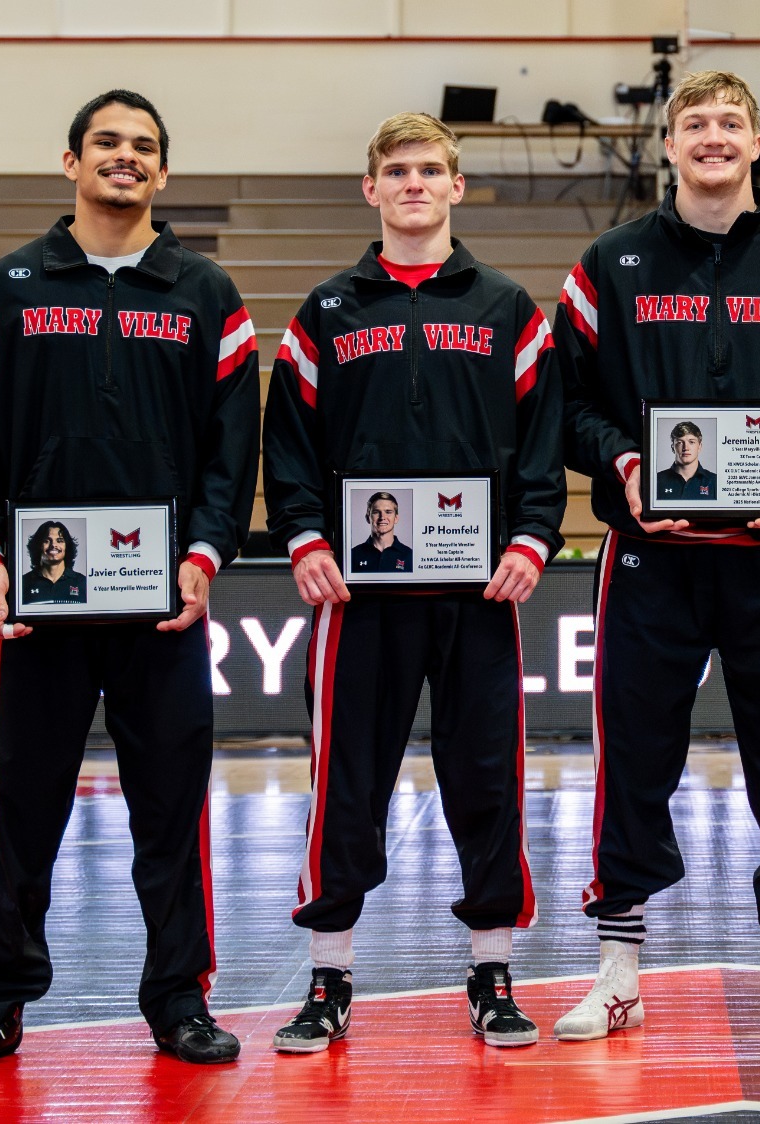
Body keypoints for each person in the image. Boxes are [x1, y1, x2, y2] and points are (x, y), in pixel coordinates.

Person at [0, 89, 260, 1070]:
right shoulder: (8, 287)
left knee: (173, 807)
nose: (125, 157)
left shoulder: (208, 294)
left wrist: (204, 556)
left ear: (163, 172)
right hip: (38, 605)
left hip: (162, 607)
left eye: (143, 146)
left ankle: (177, 997)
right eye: (107, 143)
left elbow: (227, 453)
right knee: (20, 807)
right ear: (69, 160)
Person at [553, 69, 760, 1039]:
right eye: (692, 122)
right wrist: (620, 459)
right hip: (649, 557)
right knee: (633, 754)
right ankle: (616, 967)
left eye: (728, 121)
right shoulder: (607, 264)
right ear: (666, 145)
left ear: (754, 142)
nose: (710, 136)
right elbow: (565, 406)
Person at [262, 112, 564, 1052]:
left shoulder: (510, 309)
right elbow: (290, 448)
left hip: (479, 596)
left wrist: (532, 540)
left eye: (431, 169)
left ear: (457, 187)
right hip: (359, 599)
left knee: (486, 778)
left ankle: (493, 970)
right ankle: (329, 977)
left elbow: (544, 448)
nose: (414, 184)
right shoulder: (325, 312)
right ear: (371, 190)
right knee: (347, 781)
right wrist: (306, 537)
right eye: (396, 171)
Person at [20, 521, 87, 603]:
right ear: (38, 546)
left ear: (67, 547)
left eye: (59, 540)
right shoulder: (23, 583)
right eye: (47, 541)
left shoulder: (82, 582)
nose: (53, 545)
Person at [349, 491, 414, 573]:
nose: (382, 517)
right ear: (367, 517)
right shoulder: (353, 555)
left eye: (388, 512)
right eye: (376, 512)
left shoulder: (410, 555)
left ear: (396, 518)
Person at [653, 420, 717, 500]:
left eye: (691, 442)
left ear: (700, 446)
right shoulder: (656, 480)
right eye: (680, 442)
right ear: (673, 447)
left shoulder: (714, 481)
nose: (686, 448)